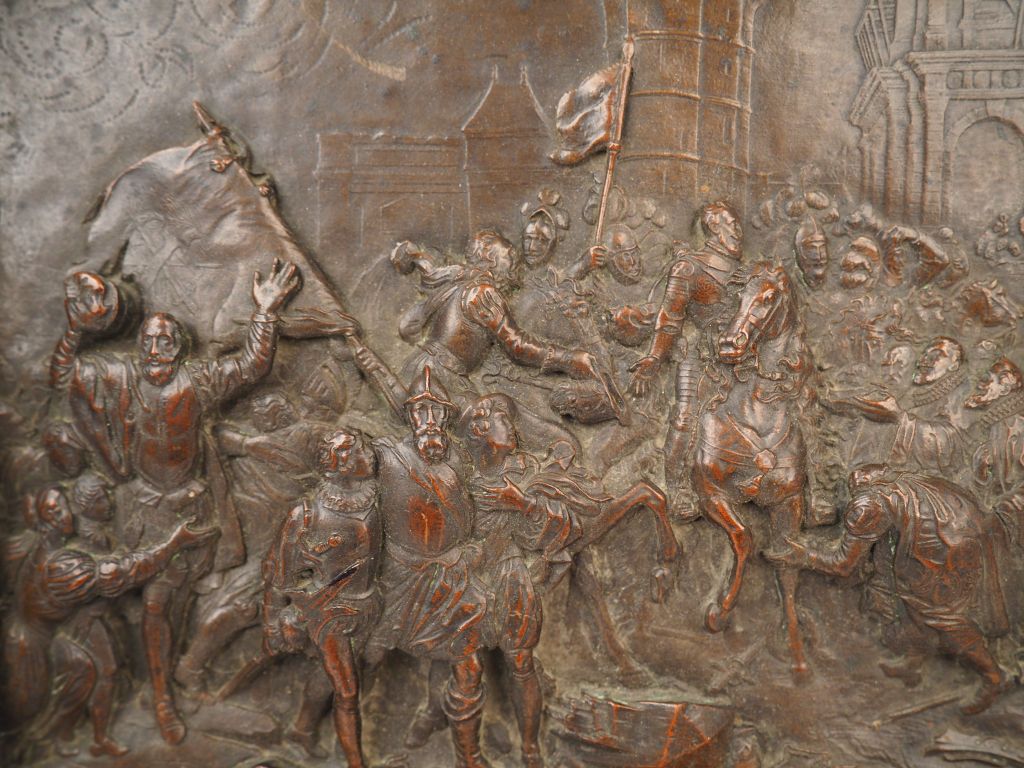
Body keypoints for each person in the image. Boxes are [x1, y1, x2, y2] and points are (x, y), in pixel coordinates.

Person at [49, 259, 301, 743]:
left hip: (191, 507)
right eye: (147, 341)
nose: (154, 350)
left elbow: (251, 366)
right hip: (144, 510)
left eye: (165, 342)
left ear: (180, 349)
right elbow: (64, 377)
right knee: (156, 604)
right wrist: (76, 330)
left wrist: (266, 311)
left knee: (176, 602)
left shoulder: (198, 381)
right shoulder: (120, 379)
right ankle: (163, 695)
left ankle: (171, 680)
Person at [768, 465, 1009, 714]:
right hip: (959, 534)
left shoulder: (866, 509)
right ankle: (915, 659)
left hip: (946, 553)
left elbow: (843, 565)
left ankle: (993, 677)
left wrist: (802, 555)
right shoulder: (898, 482)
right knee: (899, 596)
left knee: (941, 618)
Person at [3, 486, 216, 757]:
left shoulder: (53, 547)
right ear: (48, 520)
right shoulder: (62, 567)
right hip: (31, 643)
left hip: (59, 624)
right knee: (31, 705)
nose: (68, 513)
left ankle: (95, 737)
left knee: (105, 669)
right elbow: (123, 573)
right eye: (57, 510)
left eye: (65, 505)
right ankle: (46, 740)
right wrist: (175, 542)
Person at [365, 366, 491, 768]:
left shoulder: (459, 463)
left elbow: (473, 515)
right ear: (409, 416)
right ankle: (326, 728)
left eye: (438, 412)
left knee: (467, 664)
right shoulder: (386, 455)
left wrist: (469, 551)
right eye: (422, 412)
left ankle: (469, 756)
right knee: (369, 656)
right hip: (400, 580)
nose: (430, 420)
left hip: (451, 579)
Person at [263, 428, 382, 767]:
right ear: (339, 463)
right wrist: (275, 620)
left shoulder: (373, 498)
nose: (369, 455)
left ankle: (301, 729)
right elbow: (282, 575)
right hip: (330, 615)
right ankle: (355, 761)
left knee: (342, 674)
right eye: (359, 451)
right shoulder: (307, 516)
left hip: (370, 605)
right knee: (347, 691)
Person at [629, 201, 745, 515]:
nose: (739, 231)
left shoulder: (746, 272)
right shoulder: (689, 268)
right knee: (685, 419)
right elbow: (670, 319)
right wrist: (654, 359)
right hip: (702, 358)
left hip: (744, 360)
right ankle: (678, 487)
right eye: (733, 224)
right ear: (715, 227)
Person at [391, 230, 600, 402]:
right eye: (509, 255)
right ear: (490, 259)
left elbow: (408, 325)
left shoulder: (460, 280)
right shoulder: (484, 293)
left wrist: (416, 257)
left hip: (423, 367)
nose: (515, 263)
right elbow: (517, 346)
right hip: (441, 377)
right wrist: (569, 359)